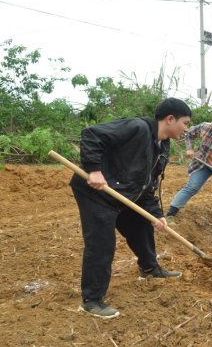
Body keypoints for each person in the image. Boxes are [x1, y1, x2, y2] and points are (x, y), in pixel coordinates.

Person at [69, 97, 192, 319]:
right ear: (170, 119)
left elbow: (148, 184)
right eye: (185, 123)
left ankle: (149, 269)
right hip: (97, 192)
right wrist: (94, 170)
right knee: (102, 243)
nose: (186, 129)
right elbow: (92, 135)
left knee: (141, 225)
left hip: (123, 193)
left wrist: (156, 214)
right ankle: (91, 300)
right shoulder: (136, 127)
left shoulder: (163, 144)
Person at [165, 110, 212, 238]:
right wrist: (190, 148)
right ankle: (170, 215)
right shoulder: (205, 127)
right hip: (204, 164)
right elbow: (189, 133)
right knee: (192, 187)